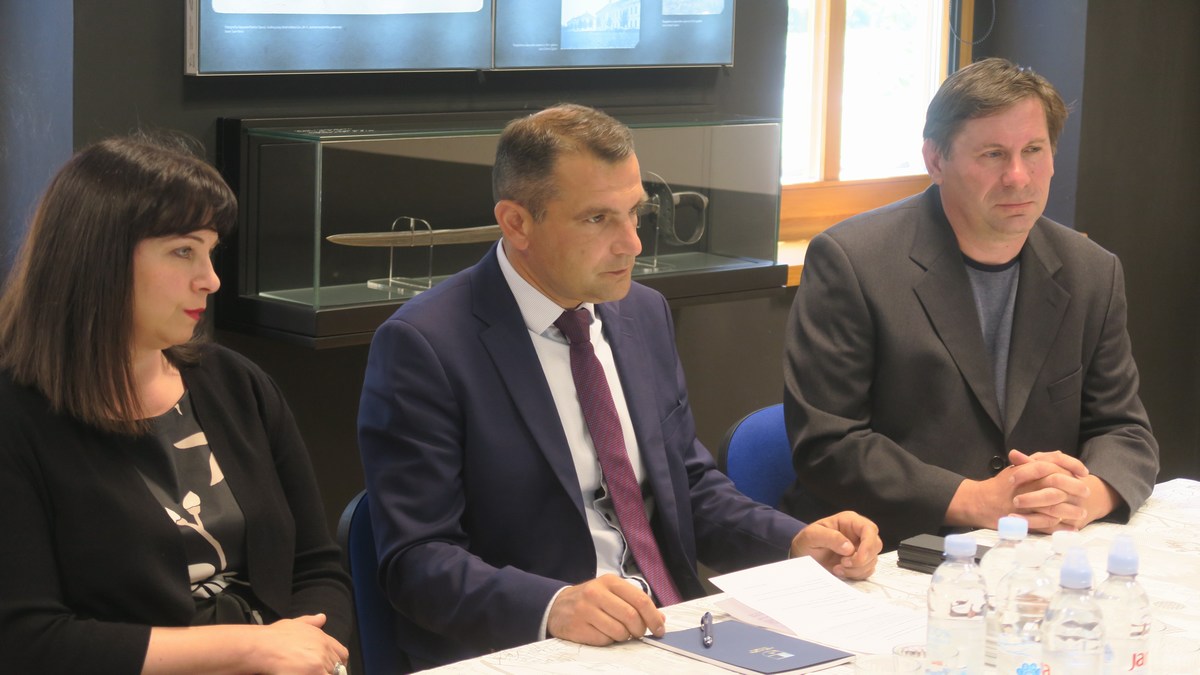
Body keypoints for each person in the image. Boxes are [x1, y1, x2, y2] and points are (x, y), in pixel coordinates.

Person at [357, 103, 883, 669]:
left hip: (676, 627)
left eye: (635, 213)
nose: (632, 243)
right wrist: (553, 606)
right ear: (516, 223)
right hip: (539, 649)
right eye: (597, 219)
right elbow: (417, 560)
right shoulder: (426, 345)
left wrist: (794, 543)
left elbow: (688, 487)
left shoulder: (641, 312)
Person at [0, 134, 352, 674]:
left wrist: (312, 654)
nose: (210, 279)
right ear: (99, 258)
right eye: (184, 251)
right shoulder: (17, 417)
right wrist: (252, 649)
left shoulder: (234, 382)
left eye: (211, 251)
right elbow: (26, 640)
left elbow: (317, 567)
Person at [780, 58, 1159, 550]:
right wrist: (974, 499)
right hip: (884, 550)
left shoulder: (1092, 271)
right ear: (935, 161)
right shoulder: (852, 262)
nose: (1018, 177)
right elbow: (829, 445)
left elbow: (1124, 431)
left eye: (1033, 150)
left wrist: (1087, 495)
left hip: (1032, 551)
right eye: (993, 154)